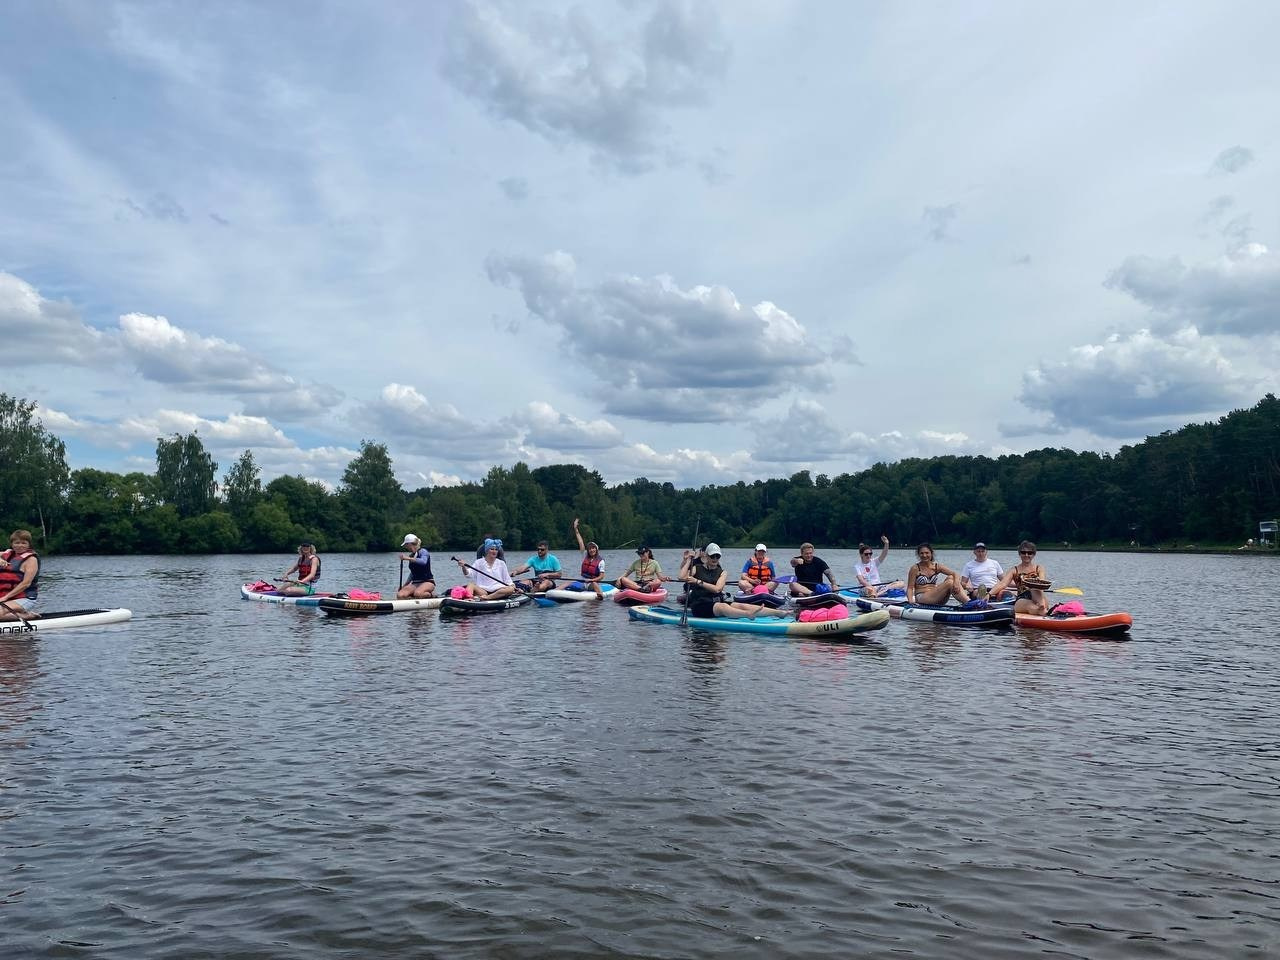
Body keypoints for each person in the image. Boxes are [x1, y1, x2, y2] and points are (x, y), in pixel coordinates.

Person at [680, 543, 788, 619]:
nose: (715, 558)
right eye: (713, 556)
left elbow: (717, 589)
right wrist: (689, 560)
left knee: (741, 605)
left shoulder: (722, 572)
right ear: (707, 556)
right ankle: (747, 615)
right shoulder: (697, 568)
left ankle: (778, 613)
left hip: (716, 601)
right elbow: (682, 577)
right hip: (700, 605)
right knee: (722, 606)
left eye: (717, 556)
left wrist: (698, 581)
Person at [990, 541, 1050, 614]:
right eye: (1023, 552)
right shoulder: (1014, 570)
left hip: (1038, 597)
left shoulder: (1039, 568)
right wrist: (989, 594)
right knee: (1029, 605)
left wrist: (1034, 584)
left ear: (1033, 554)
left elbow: (1041, 584)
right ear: (1019, 554)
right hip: (1022, 598)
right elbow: (1002, 584)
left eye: (1030, 553)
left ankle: (1041, 607)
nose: (1026, 555)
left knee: (1034, 588)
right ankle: (1041, 610)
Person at [0, 529, 41, 621]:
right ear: (12, 544)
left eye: (24, 543)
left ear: (29, 544)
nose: (20, 546)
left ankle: (27, 616)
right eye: (17, 543)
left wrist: (5, 597)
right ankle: (12, 614)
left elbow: (26, 584)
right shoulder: (8, 554)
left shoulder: (31, 560)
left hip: (24, 598)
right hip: (5, 598)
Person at [571, 518, 606, 597]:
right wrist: (576, 529)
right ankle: (554, 592)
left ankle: (600, 596)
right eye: (590, 548)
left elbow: (601, 576)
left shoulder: (601, 561)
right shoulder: (585, 556)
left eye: (593, 548)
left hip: (592, 583)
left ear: (596, 549)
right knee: (568, 582)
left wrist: (591, 580)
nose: (591, 550)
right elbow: (580, 542)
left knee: (594, 584)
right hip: (583, 582)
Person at [397, 533, 435, 599]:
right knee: (400, 595)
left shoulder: (423, 551)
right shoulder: (411, 555)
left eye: (406, 545)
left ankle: (431, 595)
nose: (406, 547)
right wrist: (405, 585)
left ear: (409, 544)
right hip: (415, 583)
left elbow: (423, 562)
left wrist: (407, 558)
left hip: (428, 582)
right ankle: (413, 595)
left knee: (418, 594)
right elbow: (412, 573)